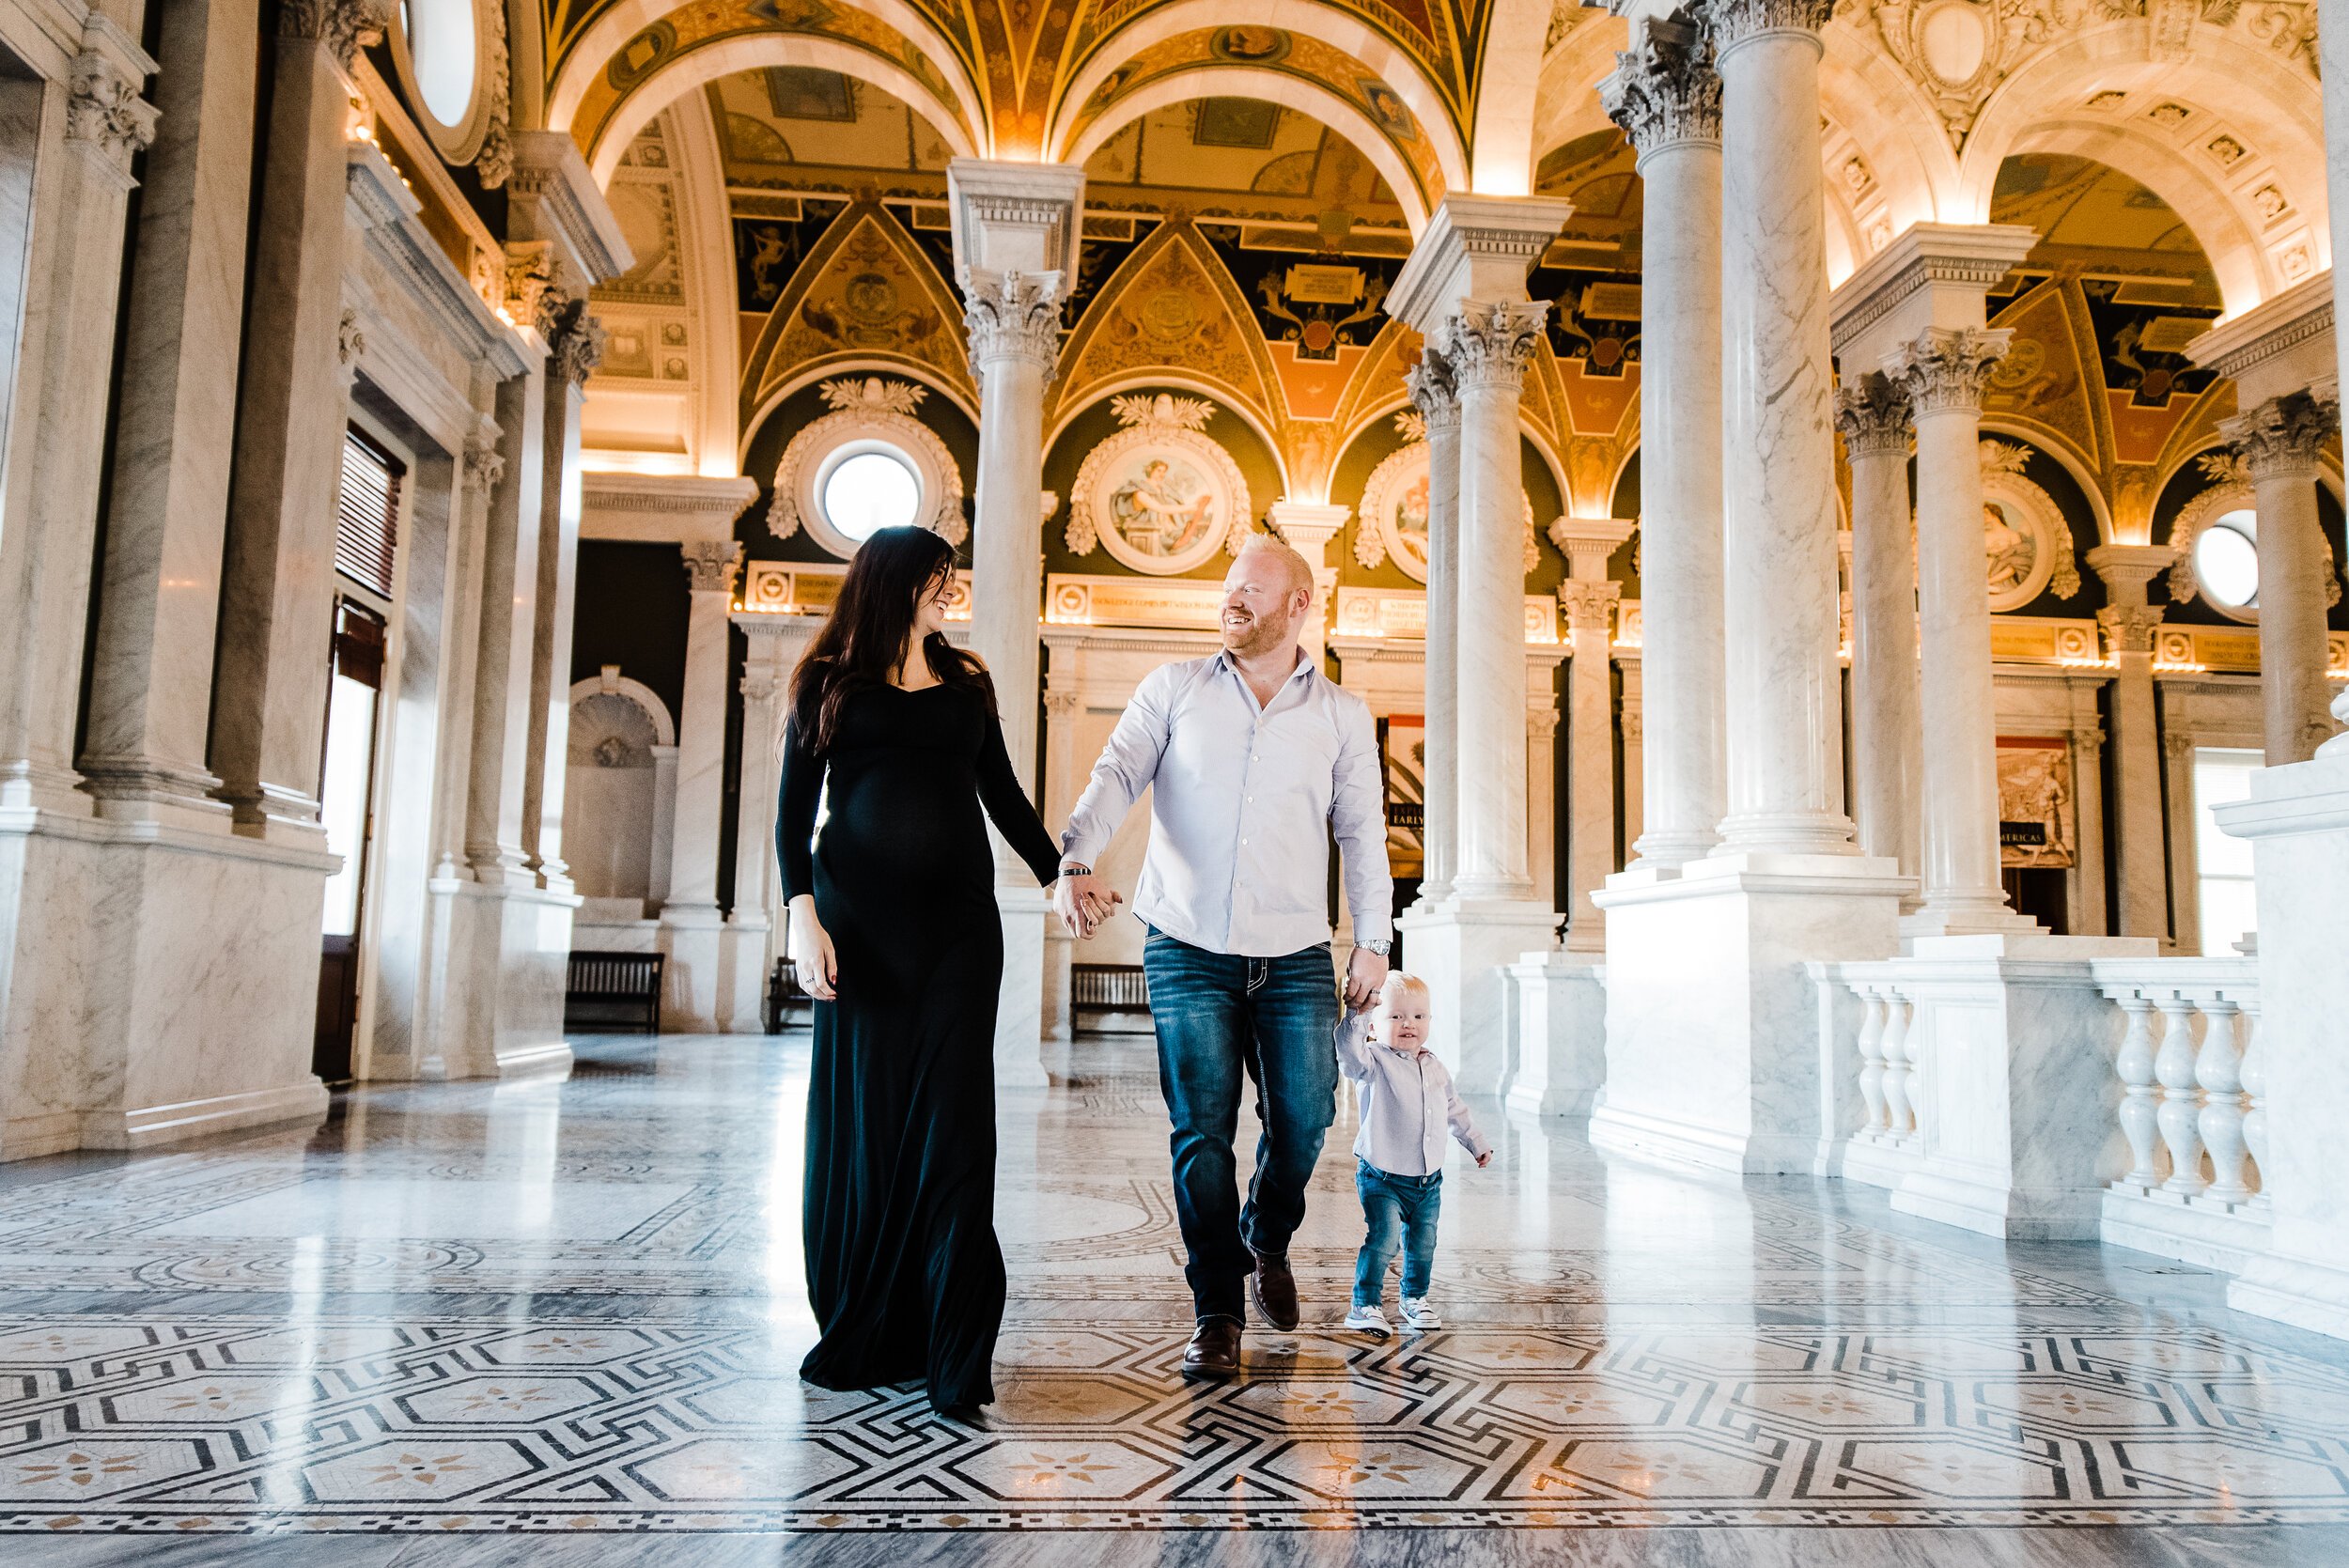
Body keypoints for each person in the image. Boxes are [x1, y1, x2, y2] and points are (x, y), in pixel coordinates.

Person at [1055, 535, 1393, 1381]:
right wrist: (1074, 857)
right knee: (1201, 1132)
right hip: (1186, 944)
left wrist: (1375, 940)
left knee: (1308, 1119)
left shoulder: (1342, 715)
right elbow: (1116, 774)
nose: (1233, 599)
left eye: (1252, 588)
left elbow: (1361, 833)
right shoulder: (1172, 689)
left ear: (1298, 604)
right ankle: (1216, 1309)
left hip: (1295, 953)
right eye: (1229, 586)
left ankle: (1265, 1235)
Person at [776, 524, 1066, 1414]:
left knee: (954, 1128)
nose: (951, 589)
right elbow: (792, 817)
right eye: (939, 576)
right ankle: (872, 1318)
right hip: (860, 940)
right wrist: (801, 917)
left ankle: (952, 1346)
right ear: (897, 580)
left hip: (958, 939)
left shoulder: (967, 681)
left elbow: (1004, 796)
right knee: (870, 1123)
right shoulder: (826, 682)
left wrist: (1063, 872)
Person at [1334, 974, 1490, 1338]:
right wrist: (1357, 1015)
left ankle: (1414, 1298)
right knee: (1385, 1238)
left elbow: (1454, 1109)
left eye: (1419, 1017)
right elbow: (1348, 1056)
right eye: (1396, 1017)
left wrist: (1476, 1142)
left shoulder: (1434, 1066)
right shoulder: (1372, 1061)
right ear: (1375, 1026)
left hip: (1427, 1180)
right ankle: (1365, 1304)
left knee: (1423, 1243)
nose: (1409, 1024)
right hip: (1382, 1175)